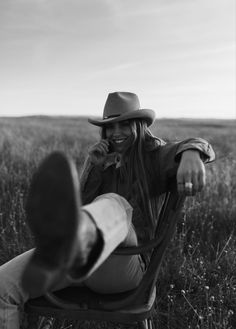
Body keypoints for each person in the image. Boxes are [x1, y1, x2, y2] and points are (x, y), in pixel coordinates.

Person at [0, 91, 215, 329]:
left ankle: (80, 237)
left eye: (124, 125)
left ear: (139, 125)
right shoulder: (103, 159)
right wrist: (93, 167)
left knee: (114, 202)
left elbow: (187, 145)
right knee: (3, 287)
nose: (116, 133)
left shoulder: (154, 154)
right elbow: (80, 203)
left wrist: (193, 154)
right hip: (80, 263)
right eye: (110, 127)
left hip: (123, 266)